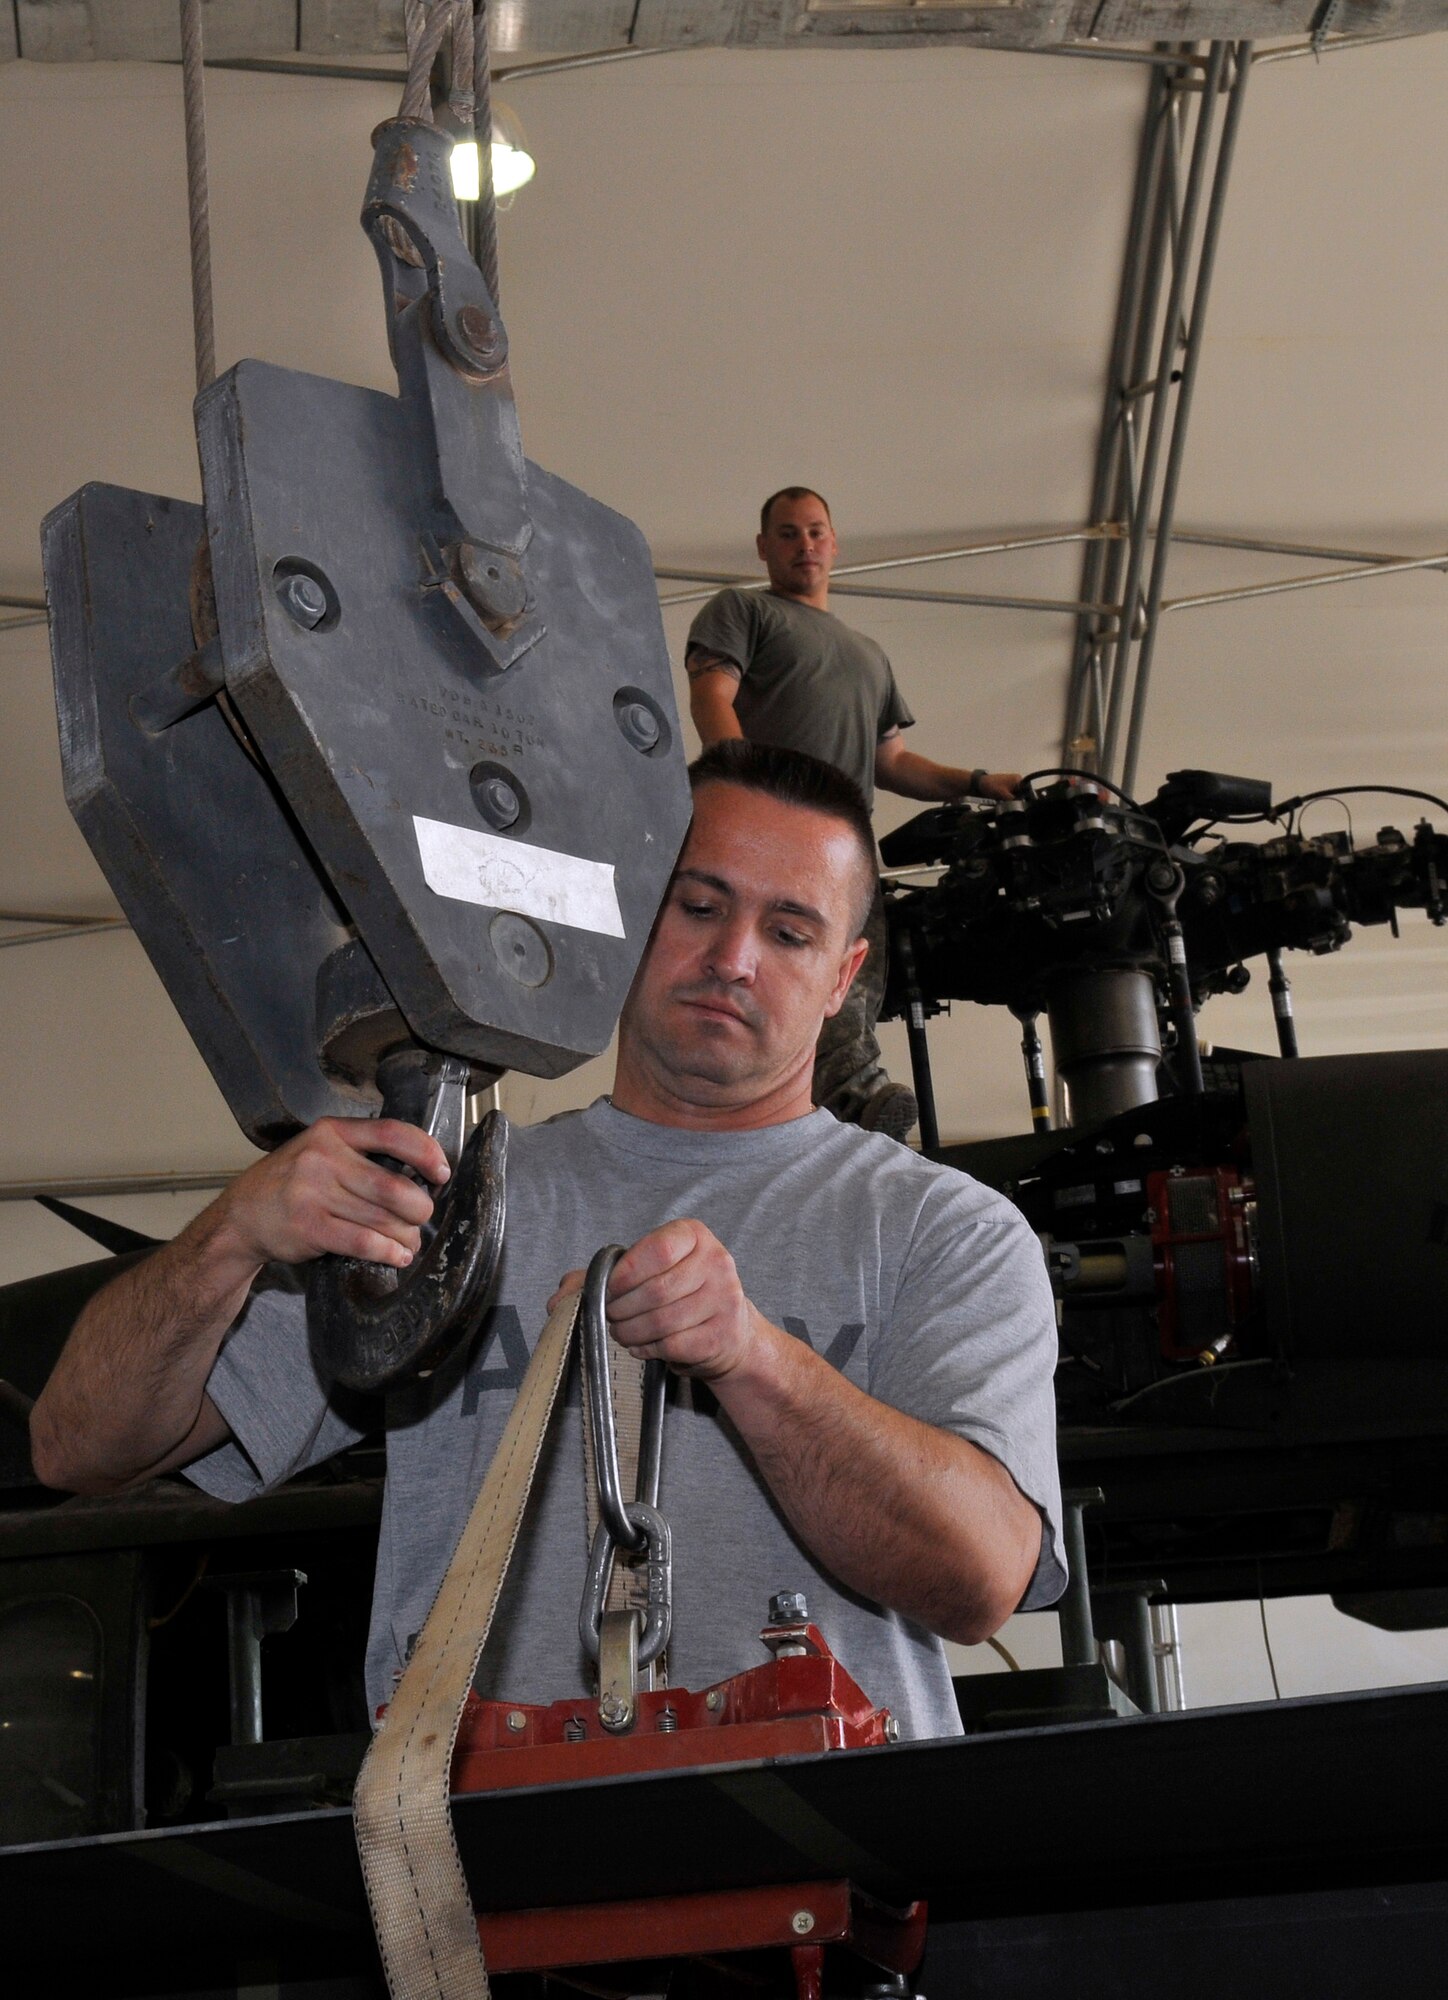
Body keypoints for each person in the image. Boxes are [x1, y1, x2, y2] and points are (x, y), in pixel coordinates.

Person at [31, 744, 1064, 1742]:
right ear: (621, 917)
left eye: (788, 931)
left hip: (819, 1871)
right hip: (478, 1878)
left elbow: (980, 1580)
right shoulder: (443, 1198)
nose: (731, 958)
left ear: (843, 977)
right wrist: (229, 1235)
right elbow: (79, 1445)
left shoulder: (943, 1231)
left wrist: (755, 1360)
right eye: (695, 906)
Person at [686, 487, 1023, 1140]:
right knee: (789, 961)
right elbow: (711, 696)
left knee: (852, 978)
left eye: (815, 532)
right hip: (777, 836)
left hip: (849, 849)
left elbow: (893, 762)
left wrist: (981, 782)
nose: (803, 545)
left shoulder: (868, 653)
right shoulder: (744, 610)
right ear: (763, 548)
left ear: (835, 544)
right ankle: (852, 1093)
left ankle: (830, 1106)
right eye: (786, 533)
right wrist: (746, 791)